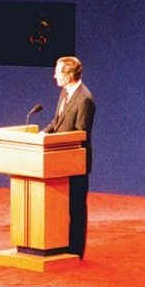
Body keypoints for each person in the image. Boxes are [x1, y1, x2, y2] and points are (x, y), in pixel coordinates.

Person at [40, 56, 95, 258]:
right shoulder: (65, 93)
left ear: (68, 75)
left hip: (75, 163)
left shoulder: (85, 99)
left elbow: (80, 134)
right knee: (62, 208)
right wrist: (42, 134)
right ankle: (62, 246)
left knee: (76, 208)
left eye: (57, 72)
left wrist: (56, 143)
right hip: (59, 161)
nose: (54, 75)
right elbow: (56, 122)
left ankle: (76, 251)